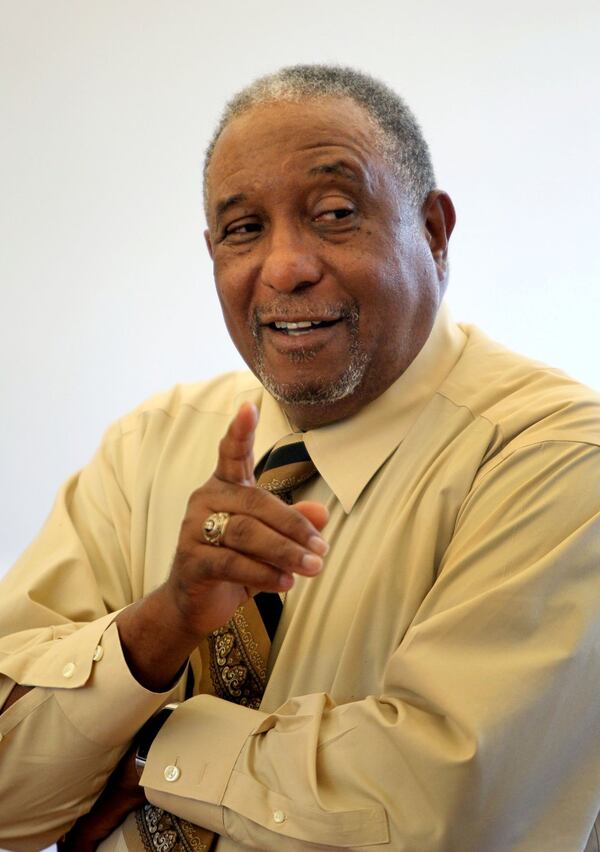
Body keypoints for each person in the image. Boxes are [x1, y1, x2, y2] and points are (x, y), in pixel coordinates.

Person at [1, 64, 600, 852]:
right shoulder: (150, 443)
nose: (285, 267)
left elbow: (449, 814)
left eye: (335, 213)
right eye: (245, 229)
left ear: (434, 231)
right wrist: (164, 622)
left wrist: (149, 749)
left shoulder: (555, 457)